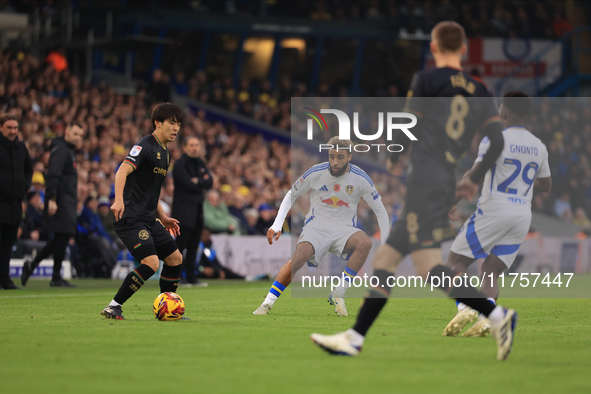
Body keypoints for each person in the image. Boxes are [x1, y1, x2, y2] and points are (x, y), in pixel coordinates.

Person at [311, 21, 517, 361]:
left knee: (428, 267)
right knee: (387, 259)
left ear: (434, 48)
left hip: (424, 178)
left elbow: (409, 121)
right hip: (445, 177)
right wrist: (473, 177)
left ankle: (497, 315)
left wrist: (392, 154)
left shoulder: (427, 79)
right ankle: (355, 338)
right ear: (463, 49)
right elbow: (496, 140)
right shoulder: (480, 89)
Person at [443, 91, 551, 337]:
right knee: (490, 270)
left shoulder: (494, 138)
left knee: (455, 263)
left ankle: (467, 307)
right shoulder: (539, 146)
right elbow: (546, 186)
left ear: (503, 112)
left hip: (494, 210)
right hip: (522, 215)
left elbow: (474, 173)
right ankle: (489, 316)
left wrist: (453, 201)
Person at [253, 137, 390, 316]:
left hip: (344, 229)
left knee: (365, 242)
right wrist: (277, 224)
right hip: (316, 226)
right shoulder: (316, 172)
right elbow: (291, 195)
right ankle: (267, 303)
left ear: (349, 156)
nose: (334, 161)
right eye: (331, 156)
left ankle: (338, 293)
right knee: (299, 257)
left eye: (340, 157)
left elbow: (380, 210)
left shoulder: (360, 178)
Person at [100, 103, 184, 320]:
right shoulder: (144, 146)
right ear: (158, 123)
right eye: (172, 123)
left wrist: (163, 217)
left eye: (179, 124)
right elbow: (121, 171)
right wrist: (118, 200)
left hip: (148, 217)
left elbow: (151, 192)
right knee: (152, 263)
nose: (176, 128)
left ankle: (168, 308)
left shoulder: (165, 154)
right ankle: (113, 306)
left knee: (175, 258)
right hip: (130, 217)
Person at [21, 121, 84, 287]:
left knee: (60, 238)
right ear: (67, 132)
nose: (78, 138)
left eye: (80, 136)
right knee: (62, 237)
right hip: (61, 200)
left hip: (66, 200)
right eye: (75, 134)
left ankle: (34, 266)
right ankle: (55, 277)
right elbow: (53, 175)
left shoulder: (66, 150)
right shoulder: (62, 150)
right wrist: (52, 199)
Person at [172, 136, 213, 286]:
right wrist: (199, 182)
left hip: (197, 213)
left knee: (193, 248)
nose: (195, 148)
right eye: (191, 145)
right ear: (185, 147)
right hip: (182, 212)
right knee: (180, 247)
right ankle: (176, 277)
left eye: (197, 145)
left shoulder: (201, 163)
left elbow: (210, 182)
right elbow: (186, 183)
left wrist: (197, 181)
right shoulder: (180, 164)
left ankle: (191, 277)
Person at [0, 115, 32, 290]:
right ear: (1, 128)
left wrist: (24, 187)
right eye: (8, 128)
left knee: (7, 245)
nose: (12, 131)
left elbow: (29, 170)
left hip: (14, 205)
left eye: (15, 128)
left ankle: (5, 280)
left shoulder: (21, 148)